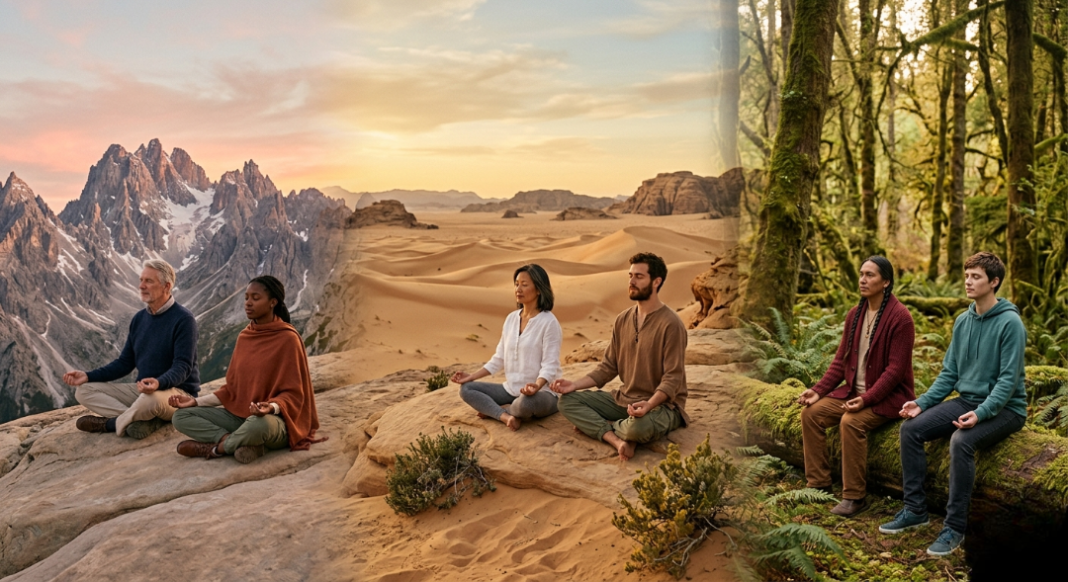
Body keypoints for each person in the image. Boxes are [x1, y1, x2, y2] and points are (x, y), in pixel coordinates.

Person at [879, 252, 1027, 556]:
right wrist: (921, 403)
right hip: (967, 400)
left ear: (994, 282)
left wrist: (981, 413)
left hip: (1007, 409)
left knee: (961, 441)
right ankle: (915, 509)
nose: (968, 282)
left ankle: (955, 527)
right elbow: (949, 374)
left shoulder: (1011, 323)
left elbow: (1008, 381)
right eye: (967, 276)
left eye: (976, 277)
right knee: (911, 429)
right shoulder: (962, 321)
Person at [797, 256, 916, 517]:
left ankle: (854, 497)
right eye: (861, 274)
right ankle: (818, 484)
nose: (863, 279)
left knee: (851, 422)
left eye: (870, 275)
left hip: (887, 398)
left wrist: (866, 399)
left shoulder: (901, 318)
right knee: (811, 414)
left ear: (886, 282)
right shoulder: (855, 314)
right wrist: (818, 390)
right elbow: (841, 361)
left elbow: (895, 371)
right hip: (853, 393)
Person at [168, 275, 325, 463]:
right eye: (246, 298)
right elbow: (231, 390)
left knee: (258, 425)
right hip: (241, 418)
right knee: (180, 416)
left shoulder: (288, 339)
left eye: (255, 298)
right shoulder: (245, 337)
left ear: (273, 302)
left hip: (275, 421)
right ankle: (236, 442)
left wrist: (271, 407)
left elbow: (295, 394)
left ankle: (216, 449)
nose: (248, 303)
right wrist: (194, 402)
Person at [551, 252, 688, 461]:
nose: (631, 282)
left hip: (662, 407)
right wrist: (574, 385)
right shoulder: (622, 319)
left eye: (639, 277)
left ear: (656, 282)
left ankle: (609, 427)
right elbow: (608, 367)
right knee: (567, 402)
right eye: (630, 276)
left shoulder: (671, 324)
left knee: (637, 429)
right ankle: (616, 439)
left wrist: (649, 405)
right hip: (625, 400)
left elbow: (673, 378)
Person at [63, 260, 200, 439]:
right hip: (144, 392)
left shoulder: (184, 319)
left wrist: (159, 383)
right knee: (83, 390)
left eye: (148, 281)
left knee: (151, 399)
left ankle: (111, 423)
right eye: (141, 280)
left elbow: (183, 366)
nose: (141, 286)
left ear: (166, 286)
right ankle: (140, 420)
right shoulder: (139, 319)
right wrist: (88, 376)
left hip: (177, 395)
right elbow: (125, 363)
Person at [452, 264, 562, 431]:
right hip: (511, 390)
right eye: (516, 284)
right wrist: (472, 376)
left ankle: (501, 410)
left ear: (539, 289)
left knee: (526, 403)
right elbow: (499, 358)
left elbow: (550, 366)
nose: (518, 289)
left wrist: (536, 386)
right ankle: (505, 416)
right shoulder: (511, 319)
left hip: (542, 393)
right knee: (467, 389)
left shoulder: (549, 322)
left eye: (524, 285)